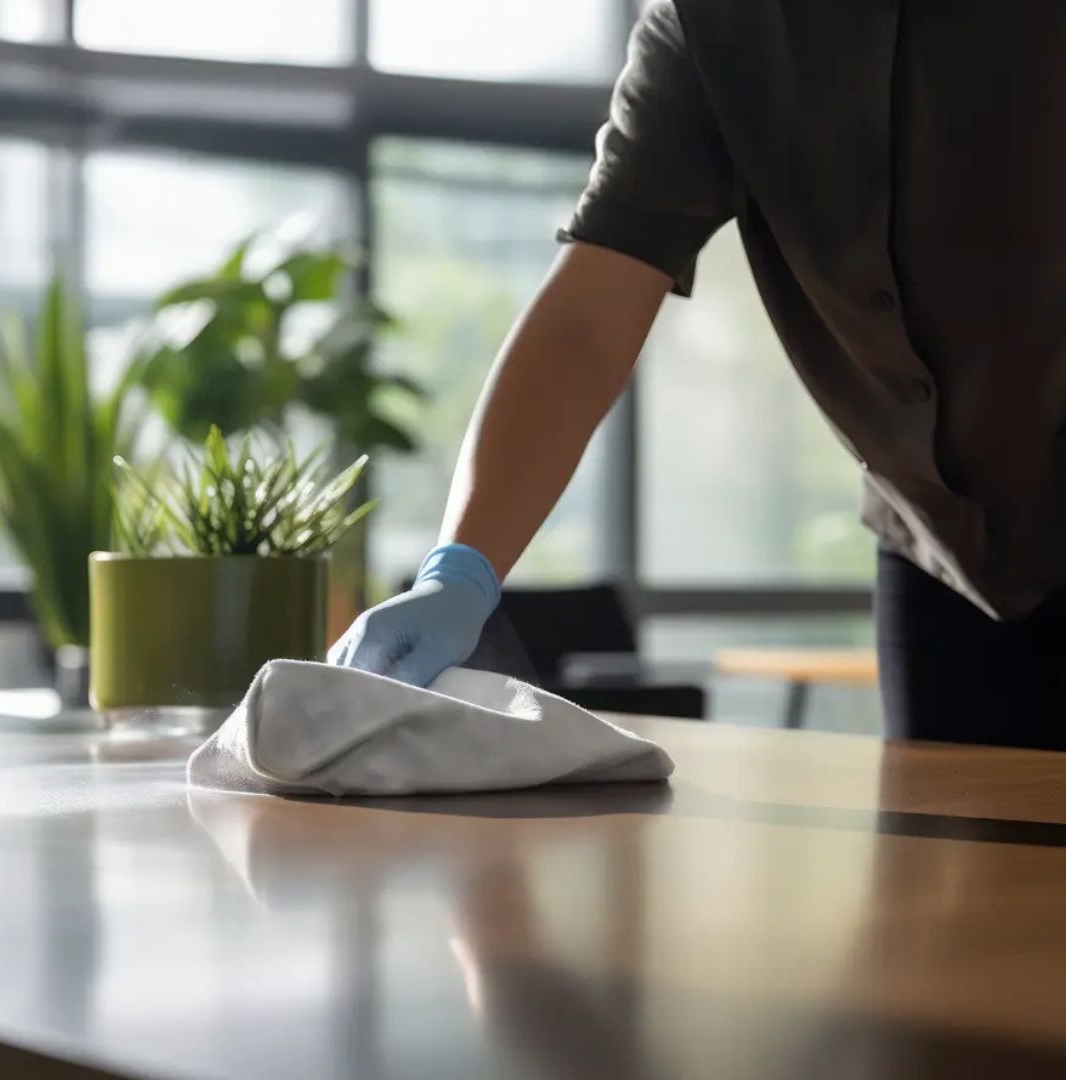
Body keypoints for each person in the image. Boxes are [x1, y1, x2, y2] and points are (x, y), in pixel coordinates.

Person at [331, 1, 1066, 749]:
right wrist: (458, 574)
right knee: (954, 850)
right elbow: (588, 321)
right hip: (942, 546)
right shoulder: (714, 28)